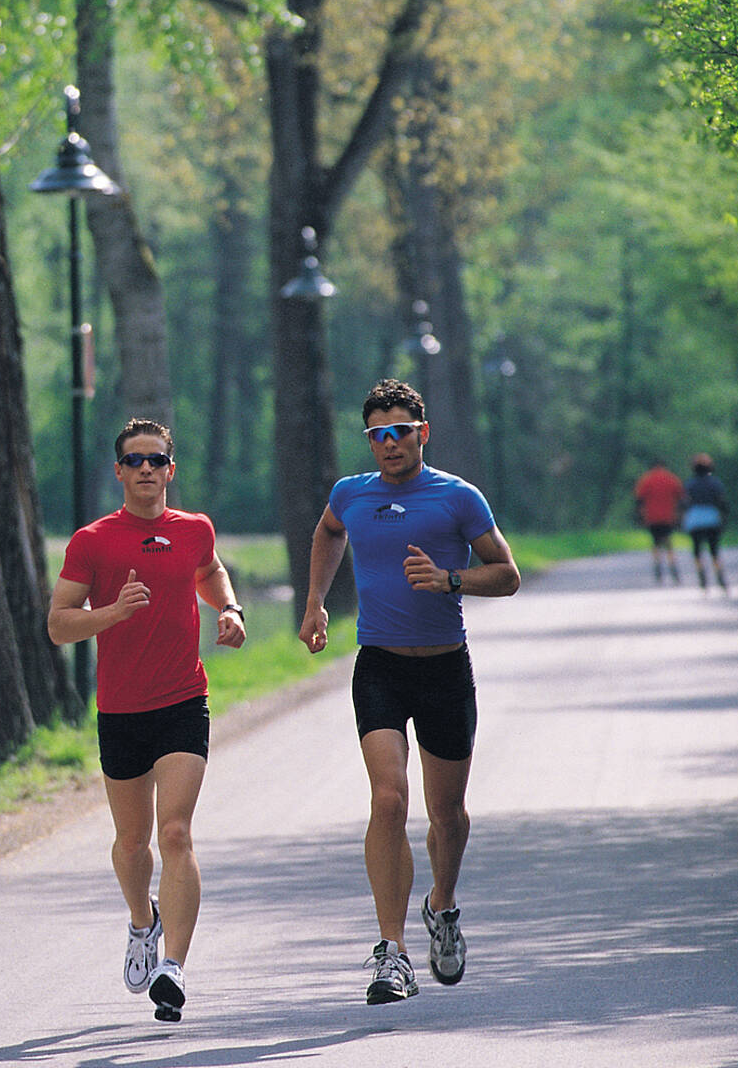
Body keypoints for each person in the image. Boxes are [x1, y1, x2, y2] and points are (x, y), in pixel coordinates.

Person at [298, 378, 521, 1005]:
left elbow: (507, 575)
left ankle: (442, 906)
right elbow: (327, 531)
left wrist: (450, 578)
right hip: (381, 669)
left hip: (446, 670)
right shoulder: (351, 494)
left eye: (400, 431)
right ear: (368, 440)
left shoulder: (457, 497)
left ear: (422, 433)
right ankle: (391, 952)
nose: (389, 443)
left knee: (447, 816)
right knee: (389, 799)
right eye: (378, 434)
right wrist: (315, 603)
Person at [47, 418, 247, 1023]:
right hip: (121, 709)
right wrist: (112, 612)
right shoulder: (93, 541)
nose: (144, 470)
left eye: (155, 460)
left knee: (176, 834)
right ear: (118, 472)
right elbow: (58, 624)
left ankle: (174, 967)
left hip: (183, 700)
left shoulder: (193, 530)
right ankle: (143, 922)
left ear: (170, 469)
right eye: (133, 461)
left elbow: (208, 571)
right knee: (133, 844)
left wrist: (230, 608)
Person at [682, 452, 732, 595]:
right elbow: (722, 502)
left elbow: (684, 503)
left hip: (695, 519)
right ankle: (720, 576)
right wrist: (724, 519)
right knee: (714, 551)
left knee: (697, 550)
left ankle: (701, 576)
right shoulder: (715, 483)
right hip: (711, 518)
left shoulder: (690, 484)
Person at [633, 457, 686, 584]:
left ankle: (658, 568)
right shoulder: (672, 478)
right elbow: (681, 497)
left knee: (656, 542)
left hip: (652, 517)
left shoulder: (646, 479)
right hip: (669, 516)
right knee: (668, 542)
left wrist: (640, 515)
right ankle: (673, 568)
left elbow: (639, 498)